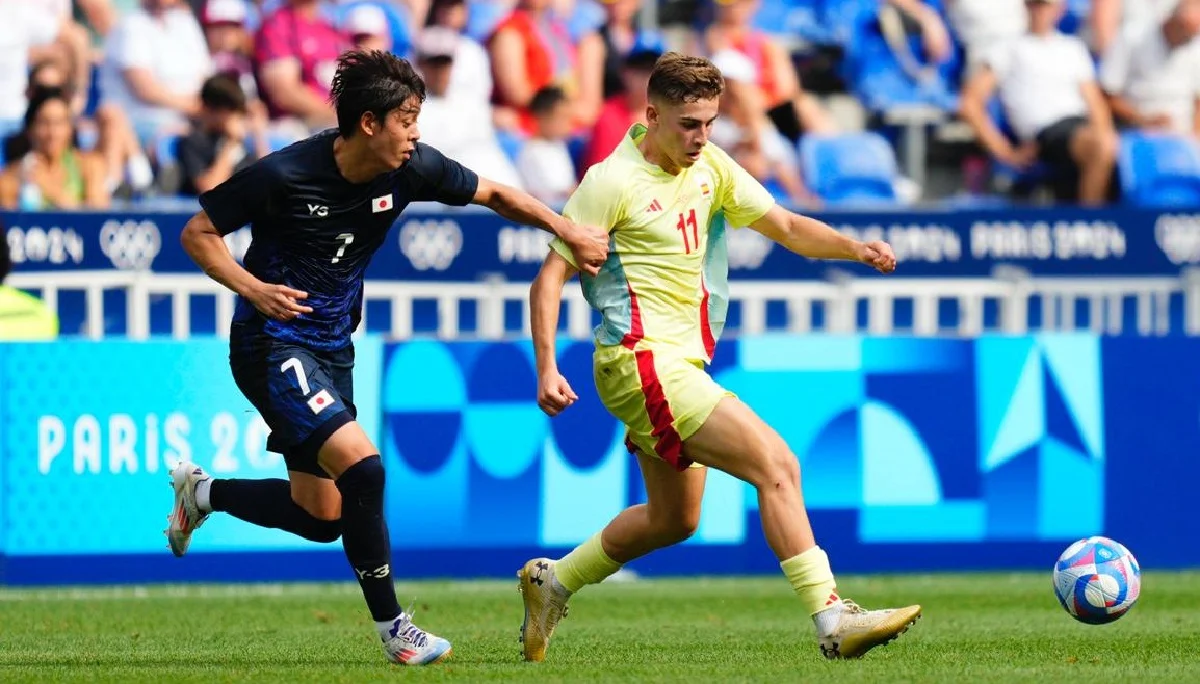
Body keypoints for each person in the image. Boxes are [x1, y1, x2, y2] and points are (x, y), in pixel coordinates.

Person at [169, 49, 609, 666]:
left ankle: (204, 495)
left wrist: (566, 230)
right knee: (366, 471)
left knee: (323, 517)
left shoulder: (412, 168)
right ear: (369, 123)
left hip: (332, 349)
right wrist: (252, 288)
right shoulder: (284, 173)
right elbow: (197, 233)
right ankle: (396, 630)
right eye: (406, 119)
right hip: (272, 343)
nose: (416, 133)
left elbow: (497, 195)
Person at [517, 52, 920, 663]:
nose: (701, 136)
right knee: (776, 463)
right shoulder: (611, 181)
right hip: (639, 360)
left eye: (709, 122)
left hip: (678, 364)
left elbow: (785, 224)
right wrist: (546, 366)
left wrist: (855, 248)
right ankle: (832, 617)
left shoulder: (711, 166)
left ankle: (555, 580)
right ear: (651, 115)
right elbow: (549, 279)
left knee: (673, 520)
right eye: (688, 124)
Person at [959, 0, 1118, 205]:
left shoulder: (1073, 48)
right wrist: (1004, 152)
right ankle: (1092, 221)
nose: (1039, 11)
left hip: (1079, 127)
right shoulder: (1007, 48)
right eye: (1034, 4)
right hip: (1045, 134)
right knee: (1102, 146)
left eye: (1045, 5)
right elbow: (970, 103)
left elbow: (1096, 104)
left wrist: (1105, 135)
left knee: (1118, 149)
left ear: (1059, 10)